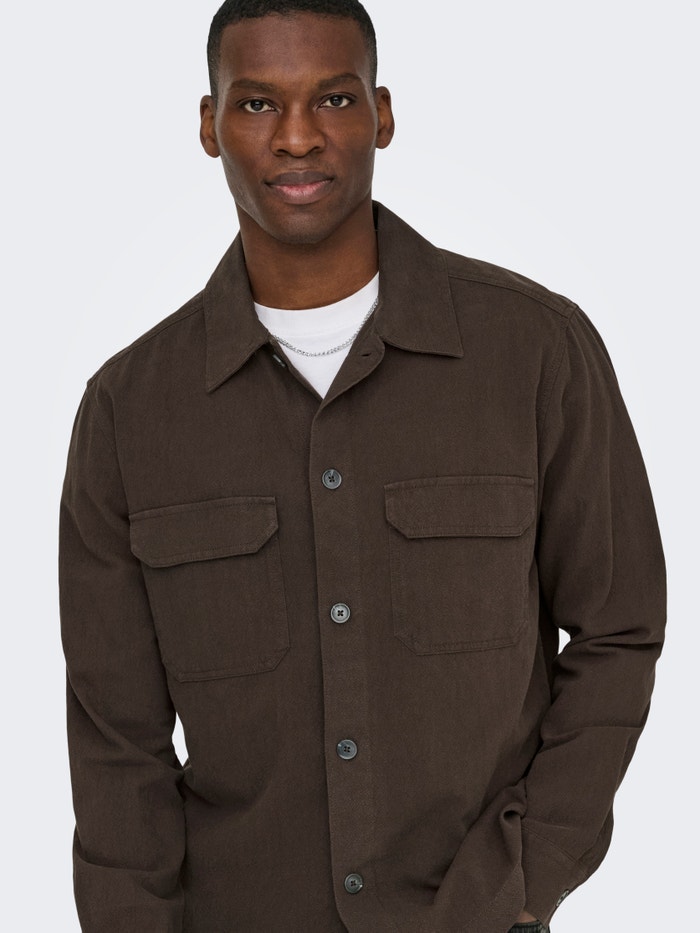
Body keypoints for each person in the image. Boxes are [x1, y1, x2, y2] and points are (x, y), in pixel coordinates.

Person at [58, 1, 666, 930]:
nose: (297, 137)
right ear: (209, 126)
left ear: (382, 114)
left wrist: (518, 879)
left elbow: (618, 630)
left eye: (334, 99)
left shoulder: (536, 352)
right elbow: (115, 746)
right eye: (257, 104)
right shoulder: (127, 412)